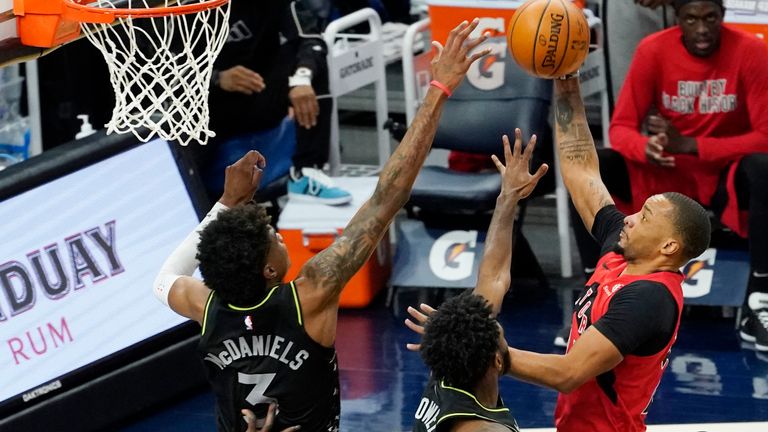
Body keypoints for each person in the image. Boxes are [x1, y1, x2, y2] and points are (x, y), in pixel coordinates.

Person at [152, 19, 491, 432]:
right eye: (272, 237)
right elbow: (387, 198)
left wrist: (225, 204)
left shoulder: (207, 306)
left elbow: (165, 277)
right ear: (270, 270)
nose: (279, 233)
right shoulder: (310, 295)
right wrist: (437, 92)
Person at [409, 70, 712, 431]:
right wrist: (567, 84)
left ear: (668, 246)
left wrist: (477, 348)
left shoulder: (649, 299)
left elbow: (568, 374)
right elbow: (583, 171)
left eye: (644, 217)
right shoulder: (620, 250)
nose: (629, 218)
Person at [571, 0, 768, 350]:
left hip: (720, 174)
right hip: (663, 174)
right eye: (692, 19)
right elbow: (621, 128)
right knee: (597, 167)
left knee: (763, 167)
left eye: (710, 18)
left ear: (723, 16)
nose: (702, 28)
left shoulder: (752, 51)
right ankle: (594, 291)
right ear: (678, 19)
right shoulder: (653, 49)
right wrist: (645, 148)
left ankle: (761, 297)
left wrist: (692, 144)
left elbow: (764, 136)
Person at [409, 130, 548, 432]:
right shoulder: (484, 429)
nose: (495, 321)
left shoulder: (449, 370)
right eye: (498, 333)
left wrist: (508, 196)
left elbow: (494, 275)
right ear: (498, 363)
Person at [205, 0, 350, 205]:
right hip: (207, 109)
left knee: (311, 59)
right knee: (182, 119)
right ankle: (194, 201)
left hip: (260, 94)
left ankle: (305, 171)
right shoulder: (182, 8)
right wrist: (217, 78)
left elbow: (311, 39)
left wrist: (301, 79)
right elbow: (164, 72)